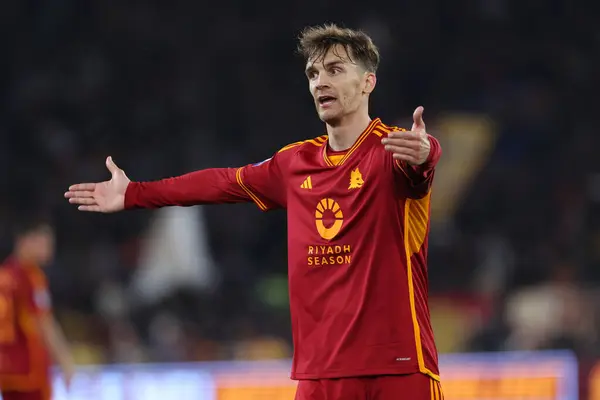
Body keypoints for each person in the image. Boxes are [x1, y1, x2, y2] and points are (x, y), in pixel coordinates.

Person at [65, 23, 443, 400]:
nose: (319, 82)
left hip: (398, 367)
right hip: (322, 374)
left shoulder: (392, 151)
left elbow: (419, 167)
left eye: (334, 70)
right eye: (313, 73)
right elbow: (221, 183)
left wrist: (426, 155)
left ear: (367, 83)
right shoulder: (294, 163)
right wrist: (134, 193)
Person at [0, 218, 75, 400]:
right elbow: (44, 323)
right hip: (29, 369)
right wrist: (65, 360)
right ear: (26, 241)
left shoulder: (4, 275)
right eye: (44, 242)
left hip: (6, 369)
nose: (49, 249)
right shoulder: (31, 278)